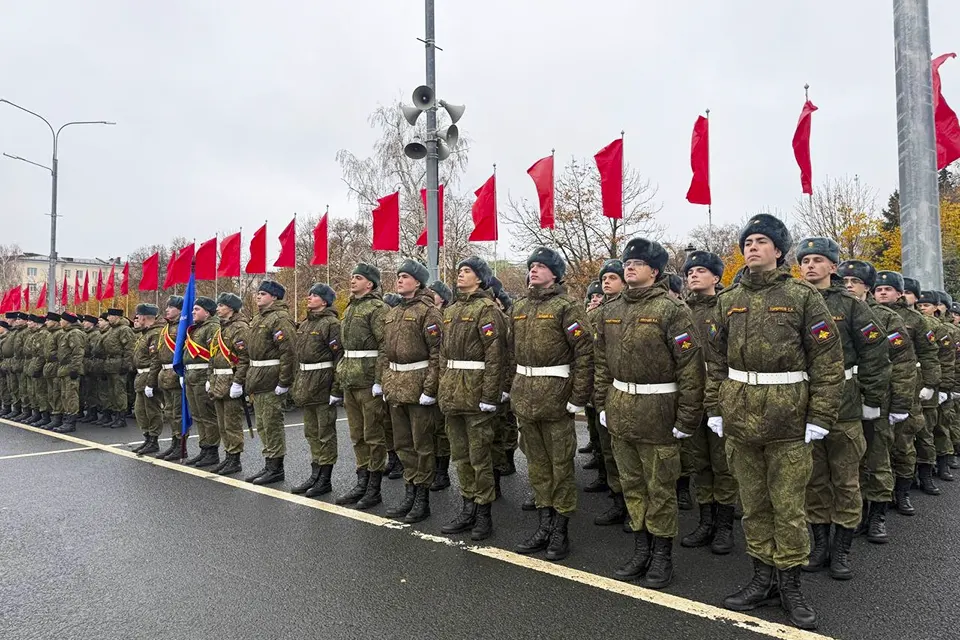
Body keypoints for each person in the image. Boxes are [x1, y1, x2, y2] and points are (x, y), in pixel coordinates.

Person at [705, 214, 844, 631]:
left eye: (762, 241)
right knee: (754, 505)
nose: (752, 247)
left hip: (788, 418)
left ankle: (791, 584)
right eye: (747, 241)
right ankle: (761, 579)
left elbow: (827, 361)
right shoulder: (728, 299)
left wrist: (820, 415)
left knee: (788, 507)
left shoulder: (802, 296)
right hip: (740, 414)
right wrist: (715, 408)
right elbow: (714, 361)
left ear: (779, 251)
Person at [594, 238, 703, 589]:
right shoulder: (611, 309)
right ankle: (641, 548)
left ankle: (661, 555)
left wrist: (687, 418)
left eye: (638, 262)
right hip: (621, 407)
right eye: (627, 261)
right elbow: (600, 362)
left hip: (659, 411)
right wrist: (602, 404)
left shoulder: (673, 311)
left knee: (660, 488)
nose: (629, 266)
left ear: (654, 271)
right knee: (632, 485)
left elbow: (690, 369)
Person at [796, 239, 890, 580]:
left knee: (846, 480)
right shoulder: (794, 300)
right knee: (814, 479)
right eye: (805, 260)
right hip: (804, 402)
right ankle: (819, 544)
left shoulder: (850, 305)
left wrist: (871, 400)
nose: (810, 266)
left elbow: (876, 355)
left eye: (818, 260)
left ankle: (842, 549)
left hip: (845, 404)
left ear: (833, 267)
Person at [509, 246, 593, 562]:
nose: (533, 270)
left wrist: (577, 397)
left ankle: (560, 531)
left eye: (541, 266)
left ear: (555, 274)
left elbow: (585, 353)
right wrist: (511, 390)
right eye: (531, 265)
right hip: (526, 396)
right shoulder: (519, 307)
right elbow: (509, 354)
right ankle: (543, 525)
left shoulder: (567, 307)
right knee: (537, 465)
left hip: (556, 396)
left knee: (560, 466)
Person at [839, 261, 915, 543]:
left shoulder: (885, 318)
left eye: (855, 282)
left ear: (866, 288)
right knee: (850, 461)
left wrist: (900, 403)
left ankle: (877, 517)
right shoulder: (836, 311)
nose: (848, 285)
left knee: (877, 458)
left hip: (877, 397)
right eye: (845, 280)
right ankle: (857, 513)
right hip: (845, 397)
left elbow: (904, 364)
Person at [438, 256, 505, 540]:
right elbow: (443, 354)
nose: (461, 275)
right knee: (461, 456)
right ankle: (467, 508)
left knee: (480, 457)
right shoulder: (451, 311)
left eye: (467, 271)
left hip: (476, 391)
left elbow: (495, 355)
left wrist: (490, 394)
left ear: (479, 278)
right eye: (460, 271)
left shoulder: (487, 309)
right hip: (453, 391)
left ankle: (483, 513)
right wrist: (443, 385)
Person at [680, 250, 739, 554]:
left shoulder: (726, 307)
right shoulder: (679, 310)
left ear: (716, 277)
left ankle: (725, 526)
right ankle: (706, 521)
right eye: (689, 271)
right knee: (698, 461)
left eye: (701, 270)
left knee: (723, 463)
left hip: (722, 394)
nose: (693, 275)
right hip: (690, 395)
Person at [380, 260, 443, 523]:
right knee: (404, 444)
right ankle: (410, 491)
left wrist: (430, 388)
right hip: (397, 386)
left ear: (417, 282)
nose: (399, 280)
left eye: (405, 276)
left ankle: (422, 499)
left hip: (418, 386)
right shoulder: (393, 312)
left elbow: (437, 353)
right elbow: (385, 352)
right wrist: (385, 382)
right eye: (398, 276)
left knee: (422, 444)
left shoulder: (428, 312)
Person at [874, 273, 940, 514]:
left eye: (888, 289)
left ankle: (902, 493)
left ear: (899, 293)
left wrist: (931, 385)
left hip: (907, 388)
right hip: (877, 387)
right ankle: (881, 496)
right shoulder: (866, 314)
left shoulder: (915, 320)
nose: (882, 292)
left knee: (904, 442)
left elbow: (929, 353)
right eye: (878, 288)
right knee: (879, 446)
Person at [333, 264, 388, 509]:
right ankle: (362, 481)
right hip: (350, 379)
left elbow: (384, 346)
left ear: (371, 284)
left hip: (367, 380)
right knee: (357, 436)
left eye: (359, 278)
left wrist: (379, 380)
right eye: (352, 276)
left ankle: (374, 487)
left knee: (373, 435)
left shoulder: (377, 308)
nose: (353, 281)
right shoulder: (350, 308)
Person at [244, 280, 297, 485]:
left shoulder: (280, 318)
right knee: (263, 426)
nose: (258, 296)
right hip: (258, 378)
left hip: (271, 379)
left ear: (274, 297)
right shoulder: (258, 319)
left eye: (263, 293)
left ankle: (276, 468)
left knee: (272, 424)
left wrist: (284, 381)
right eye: (258, 293)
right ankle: (269, 463)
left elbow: (289, 352)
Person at [290, 284, 341, 495]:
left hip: (323, 384)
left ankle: (325, 478)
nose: (309, 298)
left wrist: (336, 389)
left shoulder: (331, 324)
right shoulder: (304, 325)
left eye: (315, 295)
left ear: (325, 301)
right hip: (307, 385)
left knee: (325, 433)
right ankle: (315, 473)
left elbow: (339, 357)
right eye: (309, 294)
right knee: (311, 432)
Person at [207, 292, 250, 476]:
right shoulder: (221, 329)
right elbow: (212, 356)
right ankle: (228, 455)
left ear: (230, 308)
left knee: (232, 422)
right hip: (218, 381)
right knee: (222, 423)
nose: (217, 308)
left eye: (221, 305)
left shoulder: (240, 328)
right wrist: (210, 378)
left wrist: (238, 383)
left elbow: (243, 358)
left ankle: (235, 459)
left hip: (231, 380)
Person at [913, 288, 950, 495]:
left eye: (926, 305)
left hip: (930, 385)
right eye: (921, 305)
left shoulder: (939, 328)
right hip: (910, 384)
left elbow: (944, 360)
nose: (922, 308)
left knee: (931, 430)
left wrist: (945, 386)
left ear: (936, 307)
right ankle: (910, 475)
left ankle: (929, 472)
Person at [182, 297, 222, 467]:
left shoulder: (212, 327)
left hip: (202, 375)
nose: (193, 312)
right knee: (198, 415)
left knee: (208, 416)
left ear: (207, 311)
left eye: (197, 309)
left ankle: (212, 451)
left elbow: (214, 354)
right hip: (192, 376)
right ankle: (204, 448)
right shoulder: (197, 329)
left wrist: (209, 377)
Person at [150, 298, 186, 459]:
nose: (167, 310)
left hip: (176, 373)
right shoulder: (166, 328)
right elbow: (158, 355)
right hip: (165, 375)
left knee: (178, 413)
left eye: (171, 307)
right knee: (170, 412)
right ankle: (174, 443)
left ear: (179, 310)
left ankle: (181, 445)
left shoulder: (183, 327)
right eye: (167, 306)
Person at [427, 280, 453, 491]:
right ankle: (431, 468)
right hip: (425, 376)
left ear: (442, 298)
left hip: (441, 376)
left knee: (440, 428)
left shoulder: (445, 318)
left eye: (433, 293)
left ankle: (442, 473)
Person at [131, 304, 164, 456]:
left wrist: (151, 382)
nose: (137, 318)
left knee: (152, 410)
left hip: (149, 376)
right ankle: (147, 438)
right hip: (141, 377)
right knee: (140, 411)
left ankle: (153, 440)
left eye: (138, 316)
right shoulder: (145, 333)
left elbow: (155, 360)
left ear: (144, 317)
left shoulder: (155, 333)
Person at [52, 312, 86, 433]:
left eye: (62, 320)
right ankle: (67, 419)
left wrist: (74, 369)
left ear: (68, 321)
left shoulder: (75, 333)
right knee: (65, 395)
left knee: (71, 395)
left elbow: (78, 352)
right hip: (64, 368)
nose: (60, 322)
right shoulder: (67, 333)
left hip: (71, 368)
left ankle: (70, 422)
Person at [101, 308, 134, 429]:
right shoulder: (111, 329)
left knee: (119, 392)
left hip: (119, 363)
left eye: (110, 316)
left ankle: (121, 417)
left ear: (117, 317)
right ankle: (115, 415)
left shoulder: (124, 329)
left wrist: (126, 365)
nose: (108, 318)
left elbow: (129, 348)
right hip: (110, 364)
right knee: (112, 391)